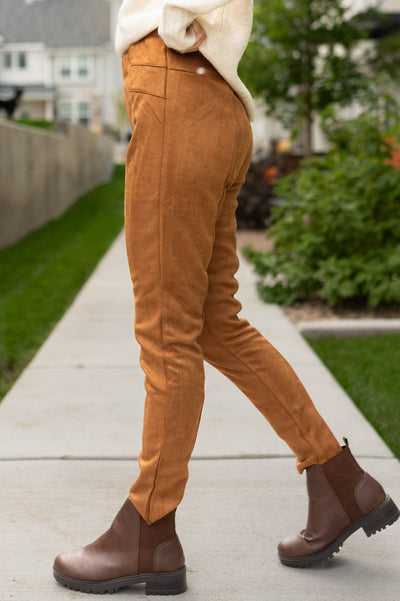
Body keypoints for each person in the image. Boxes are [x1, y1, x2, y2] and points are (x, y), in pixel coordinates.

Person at [52, 0, 399, 595]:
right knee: (217, 324)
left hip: (173, 89)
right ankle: (340, 480)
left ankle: (148, 528)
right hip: (217, 107)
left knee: (168, 333)